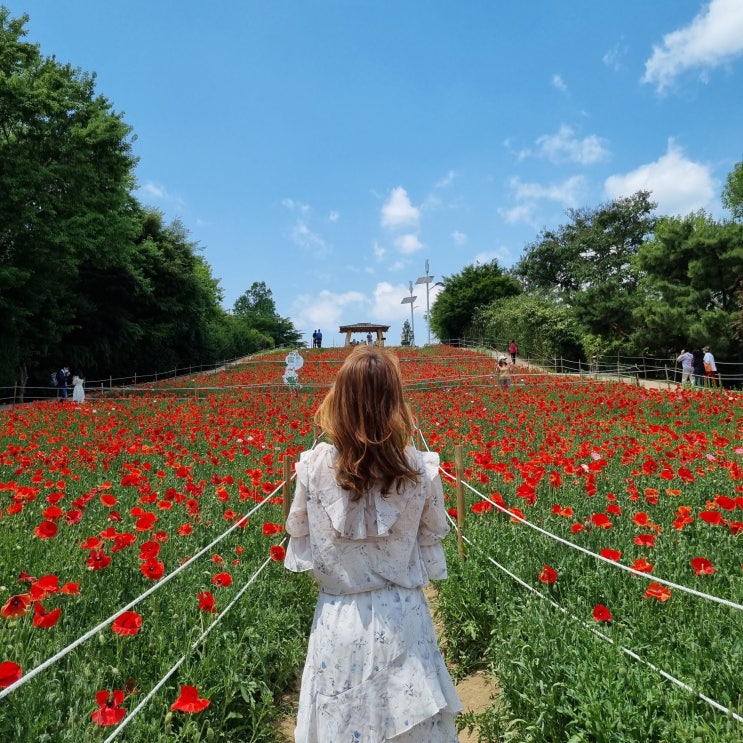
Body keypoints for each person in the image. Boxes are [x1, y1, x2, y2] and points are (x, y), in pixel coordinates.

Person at [285, 346, 462, 742]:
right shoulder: (420, 470)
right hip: (404, 619)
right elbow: (432, 534)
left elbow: (301, 537)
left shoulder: (312, 469)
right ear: (395, 401)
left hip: (338, 621)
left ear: (339, 399)